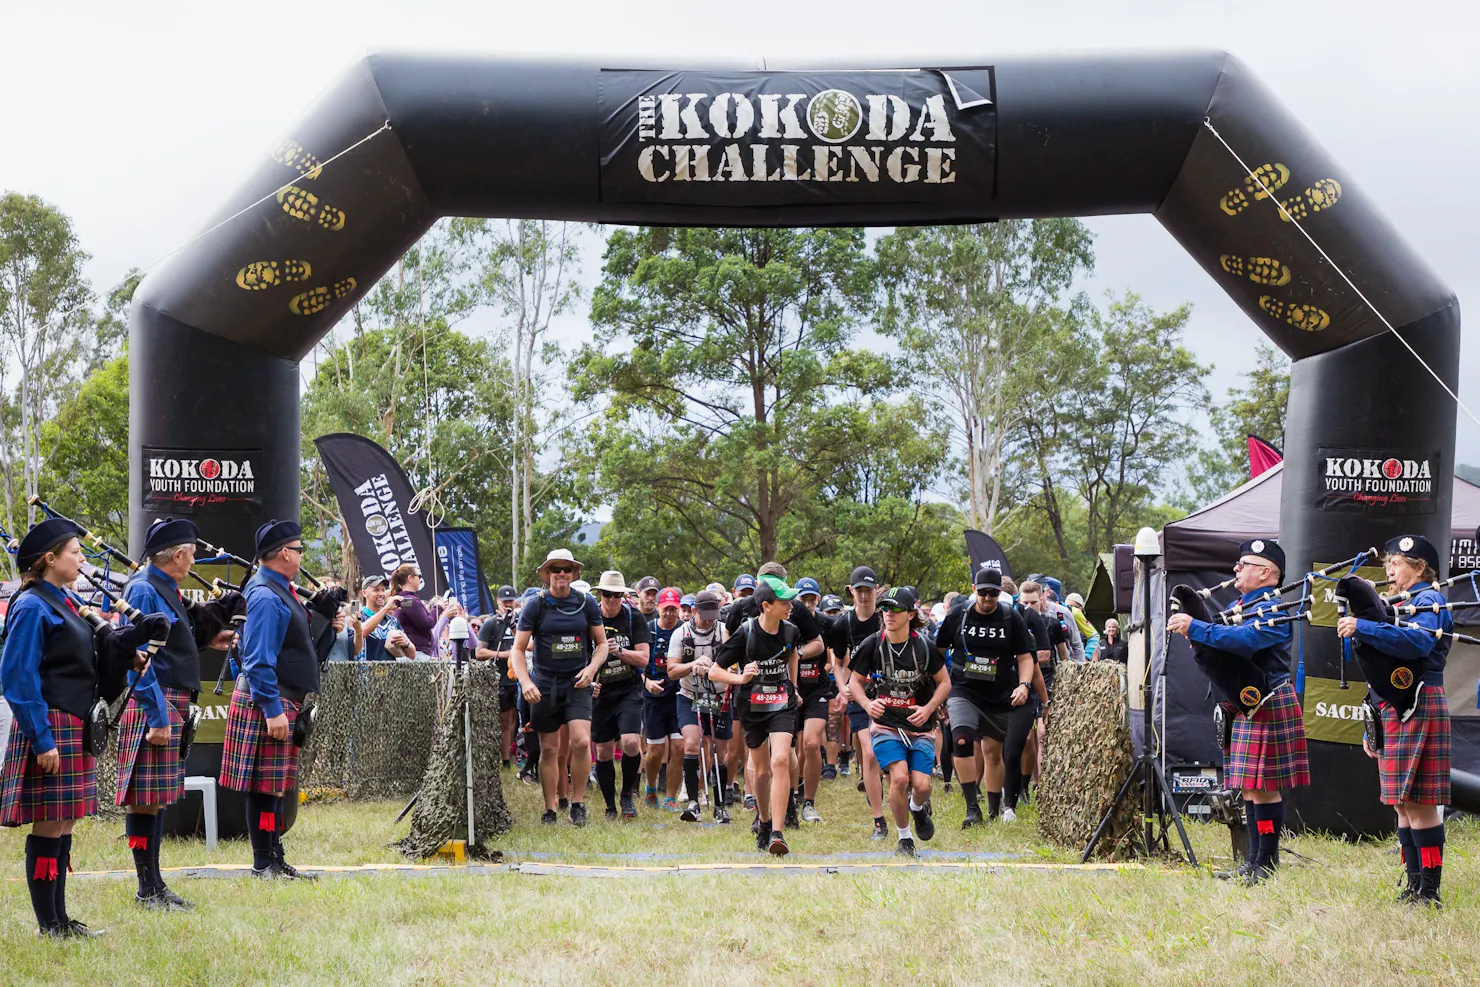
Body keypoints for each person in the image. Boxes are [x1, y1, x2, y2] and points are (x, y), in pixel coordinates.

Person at [1, 519, 164, 937]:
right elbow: (18, 678)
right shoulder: (32, 605)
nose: (83, 558)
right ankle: (49, 925)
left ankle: (60, 918)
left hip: (74, 721)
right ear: (49, 559)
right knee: (50, 823)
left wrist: (131, 651)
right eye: (76, 551)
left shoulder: (66, 601)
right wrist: (41, 738)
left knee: (65, 820)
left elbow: (99, 648)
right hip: (51, 724)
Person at [115, 517, 239, 911]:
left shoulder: (165, 588)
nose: (196, 558)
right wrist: (156, 715)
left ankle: (154, 884)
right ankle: (146, 887)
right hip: (155, 700)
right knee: (144, 799)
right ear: (180, 554)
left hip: (169, 699)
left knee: (155, 799)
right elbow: (138, 659)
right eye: (193, 552)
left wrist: (211, 640)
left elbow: (170, 643)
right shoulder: (143, 588)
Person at [1168, 538, 1308, 884]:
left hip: (1269, 700)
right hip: (1248, 704)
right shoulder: (1242, 604)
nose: (1236, 569)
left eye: (1243, 564)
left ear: (1264, 572)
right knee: (1249, 786)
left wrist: (1197, 627)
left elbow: (1246, 641)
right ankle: (1253, 861)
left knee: (1264, 787)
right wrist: (1201, 628)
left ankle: (1266, 862)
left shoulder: (1273, 608)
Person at [1339, 535, 1452, 907]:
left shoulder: (1430, 600)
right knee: (1402, 804)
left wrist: (1365, 626)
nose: (1390, 568)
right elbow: (1381, 669)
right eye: (1388, 562)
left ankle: (1429, 892)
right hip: (1395, 705)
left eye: (1398, 562)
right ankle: (1414, 884)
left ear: (1420, 567)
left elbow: (1417, 646)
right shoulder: (1399, 603)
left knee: (1418, 803)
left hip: (1419, 702)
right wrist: (1372, 721)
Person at [220, 520, 322, 880]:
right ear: (284, 553)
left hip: (280, 697)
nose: (300, 556)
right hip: (269, 699)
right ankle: (263, 862)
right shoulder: (264, 595)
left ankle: (274, 857)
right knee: (264, 787)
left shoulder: (279, 589)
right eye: (299, 549)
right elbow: (258, 659)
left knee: (273, 785)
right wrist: (272, 709)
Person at [846, 586, 951, 858]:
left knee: (923, 786)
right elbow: (854, 683)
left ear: (911, 614)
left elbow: (945, 683)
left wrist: (928, 709)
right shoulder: (873, 644)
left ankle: (917, 809)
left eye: (895, 609)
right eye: (885, 609)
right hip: (885, 724)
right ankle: (905, 839)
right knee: (900, 777)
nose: (888, 614)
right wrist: (868, 704)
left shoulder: (924, 646)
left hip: (920, 726)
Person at [511, 549, 609, 827]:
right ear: (548, 574)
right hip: (544, 684)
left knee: (580, 741)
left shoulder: (586, 603)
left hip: (578, 682)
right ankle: (550, 808)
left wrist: (591, 670)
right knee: (550, 749)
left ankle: (578, 804)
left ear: (574, 573)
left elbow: (602, 644)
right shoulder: (536, 604)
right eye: (556, 569)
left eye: (566, 569)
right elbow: (517, 650)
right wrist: (526, 682)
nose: (562, 573)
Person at [936, 565, 1036, 826]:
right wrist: (937, 688)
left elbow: (1026, 658)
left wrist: (1024, 685)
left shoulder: (1010, 618)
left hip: (999, 693)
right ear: (974, 591)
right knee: (961, 740)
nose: (987, 598)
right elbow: (938, 652)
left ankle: (993, 809)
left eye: (993, 593)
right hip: (963, 689)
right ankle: (972, 808)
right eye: (983, 593)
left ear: (1000, 592)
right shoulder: (958, 616)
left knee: (993, 752)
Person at [711, 576, 801, 855]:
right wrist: (740, 678)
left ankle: (778, 830)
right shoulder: (745, 634)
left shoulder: (791, 631)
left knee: (781, 759)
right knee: (760, 772)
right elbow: (715, 671)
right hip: (752, 706)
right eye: (784, 602)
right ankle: (764, 822)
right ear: (766, 605)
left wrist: (793, 685)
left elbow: (793, 656)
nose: (790, 606)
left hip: (782, 702)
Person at [827, 565, 889, 839]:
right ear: (851, 592)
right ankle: (879, 819)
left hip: (889, 692)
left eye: (869, 590)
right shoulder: (843, 623)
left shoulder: (886, 618)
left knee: (893, 755)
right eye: (859, 591)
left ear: (876, 590)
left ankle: (904, 793)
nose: (864, 596)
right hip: (859, 693)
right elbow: (838, 662)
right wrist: (843, 689)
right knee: (871, 752)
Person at [589, 570, 651, 820]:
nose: (611, 599)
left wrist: (621, 651)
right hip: (601, 692)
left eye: (616, 595)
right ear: (600, 594)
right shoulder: (590, 618)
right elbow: (582, 655)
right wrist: (589, 681)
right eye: (607, 594)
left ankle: (627, 795)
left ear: (623, 596)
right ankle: (609, 805)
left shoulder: (633, 617)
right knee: (603, 751)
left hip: (628, 689)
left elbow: (644, 659)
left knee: (631, 743)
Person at [670, 588, 732, 823]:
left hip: (719, 696)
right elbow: (672, 670)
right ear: (693, 610)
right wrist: (693, 664)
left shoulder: (725, 631)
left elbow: (734, 667)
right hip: (689, 694)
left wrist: (713, 669)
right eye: (704, 614)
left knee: (720, 750)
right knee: (692, 743)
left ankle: (720, 804)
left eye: (712, 614)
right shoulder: (681, 633)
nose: (708, 619)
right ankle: (694, 801)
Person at [1001, 576, 1050, 820]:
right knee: (995, 747)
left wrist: (1045, 700)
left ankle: (1022, 790)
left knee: (1029, 738)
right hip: (995, 694)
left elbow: (1044, 659)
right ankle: (998, 798)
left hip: (1027, 691)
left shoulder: (1031, 620)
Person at [642, 587, 684, 810]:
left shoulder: (684, 630)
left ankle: (670, 798)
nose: (669, 614)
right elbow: (638, 663)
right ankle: (650, 788)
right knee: (656, 751)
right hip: (653, 696)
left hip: (678, 695)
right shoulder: (648, 631)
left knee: (679, 747)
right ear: (658, 608)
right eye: (666, 609)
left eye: (673, 609)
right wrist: (646, 682)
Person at [476, 585, 522, 767]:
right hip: (497, 677)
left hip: (515, 678)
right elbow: (479, 652)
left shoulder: (518, 622)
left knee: (512, 719)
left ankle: (508, 755)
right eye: (505, 602)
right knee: (501, 720)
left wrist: (512, 625)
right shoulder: (491, 624)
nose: (508, 605)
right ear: (498, 601)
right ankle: (502, 759)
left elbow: (526, 643)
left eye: (511, 601)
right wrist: (504, 654)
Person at [389, 565, 440, 656]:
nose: (420, 579)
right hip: (417, 652)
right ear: (410, 578)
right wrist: (438, 608)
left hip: (409, 650)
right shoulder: (410, 601)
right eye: (419, 576)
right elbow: (426, 624)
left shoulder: (403, 600)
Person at [354, 575, 396, 661]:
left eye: (383, 590)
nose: (381, 594)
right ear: (364, 593)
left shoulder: (393, 621)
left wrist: (405, 644)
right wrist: (386, 608)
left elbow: (412, 654)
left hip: (391, 672)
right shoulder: (357, 616)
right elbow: (362, 632)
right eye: (376, 590)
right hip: (365, 672)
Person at [1065, 593, 1099, 659]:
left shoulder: (1076, 614)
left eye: (1071, 606)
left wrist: (1086, 657)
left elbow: (1094, 636)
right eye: (1066, 605)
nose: (1067, 609)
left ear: (1080, 609)